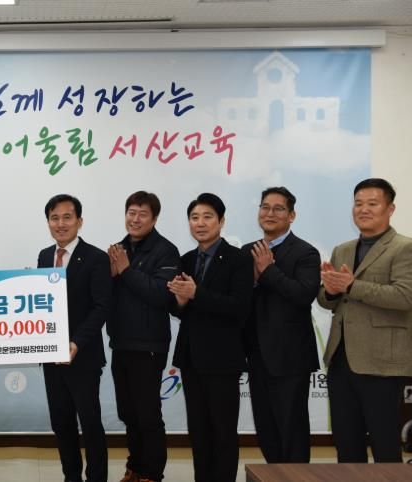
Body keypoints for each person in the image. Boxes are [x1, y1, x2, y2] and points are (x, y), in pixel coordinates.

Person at [318, 178, 412, 463]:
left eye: (372, 203)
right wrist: (330, 291)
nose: (363, 209)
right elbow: (327, 300)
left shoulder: (404, 248)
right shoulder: (343, 249)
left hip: (381, 363)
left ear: (390, 209)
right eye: (358, 203)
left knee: (385, 446)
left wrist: (351, 286)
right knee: (347, 446)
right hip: (341, 360)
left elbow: (404, 297)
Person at [169, 193, 252, 482]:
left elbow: (240, 307)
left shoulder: (238, 259)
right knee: (199, 431)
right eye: (194, 218)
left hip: (222, 359)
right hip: (191, 358)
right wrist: (180, 302)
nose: (200, 223)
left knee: (223, 431)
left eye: (207, 217)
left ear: (221, 221)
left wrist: (197, 294)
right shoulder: (186, 259)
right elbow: (179, 309)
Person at [242, 187, 321, 464]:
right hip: (256, 355)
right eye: (265, 207)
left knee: (292, 429)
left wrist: (268, 271)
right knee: (266, 429)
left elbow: (303, 295)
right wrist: (252, 282)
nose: (270, 213)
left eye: (278, 208)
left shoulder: (305, 252)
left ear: (291, 215)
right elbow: (239, 302)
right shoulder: (247, 251)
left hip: (290, 357)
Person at [37, 194, 112, 482]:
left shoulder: (96, 258)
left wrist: (76, 342)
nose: (61, 224)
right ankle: (71, 476)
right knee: (61, 422)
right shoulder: (45, 256)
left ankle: (96, 477)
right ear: (48, 222)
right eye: (54, 218)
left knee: (90, 423)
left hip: (83, 356)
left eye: (67, 217)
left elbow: (101, 307)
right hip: (51, 356)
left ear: (79, 221)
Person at [107, 191, 180, 482]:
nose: (135, 219)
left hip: (149, 346)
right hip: (121, 343)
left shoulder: (166, 251)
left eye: (142, 214)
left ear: (154, 219)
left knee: (148, 414)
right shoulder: (118, 248)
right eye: (131, 212)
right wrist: (110, 275)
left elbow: (162, 295)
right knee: (128, 413)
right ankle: (135, 467)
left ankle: (152, 473)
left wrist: (125, 271)